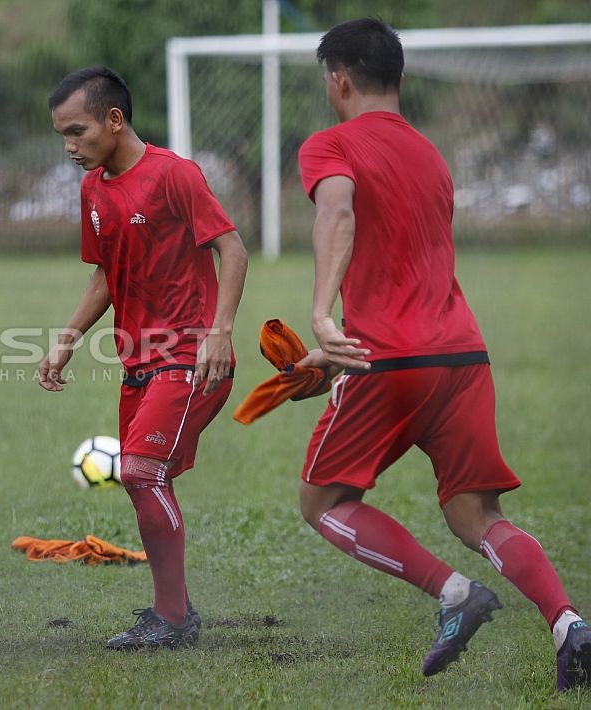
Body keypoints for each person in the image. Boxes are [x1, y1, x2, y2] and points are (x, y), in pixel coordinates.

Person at [295, 18, 588, 690]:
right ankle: (568, 623)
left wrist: (323, 315)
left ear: (337, 79)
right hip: (462, 357)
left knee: (323, 503)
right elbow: (403, 269)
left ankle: (455, 595)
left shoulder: (330, 144)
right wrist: (335, 354)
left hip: (391, 362)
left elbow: (338, 213)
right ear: (397, 77)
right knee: (476, 514)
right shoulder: (431, 155)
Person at [38, 66, 248, 650]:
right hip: (140, 364)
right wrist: (68, 337)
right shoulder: (93, 190)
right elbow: (106, 275)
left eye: (77, 132)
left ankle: (173, 617)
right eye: (62, 135)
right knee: (145, 480)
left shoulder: (174, 174)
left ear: (114, 118)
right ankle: (173, 612)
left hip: (191, 355)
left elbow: (232, 248)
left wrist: (219, 332)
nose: (69, 147)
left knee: (139, 472)